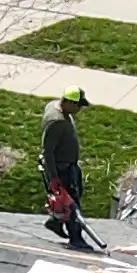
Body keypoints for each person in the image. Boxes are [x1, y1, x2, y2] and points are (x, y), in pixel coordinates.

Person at [37, 88, 87, 217]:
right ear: (68, 102)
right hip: (62, 169)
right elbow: (48, 151)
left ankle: (56, 223)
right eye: (78, 105)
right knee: (71, 205)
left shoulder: (53, 105)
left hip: (70, 166)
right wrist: (54, 178)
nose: (79, 109)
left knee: (67, 202)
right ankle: (75, 235)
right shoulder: (57, 122)